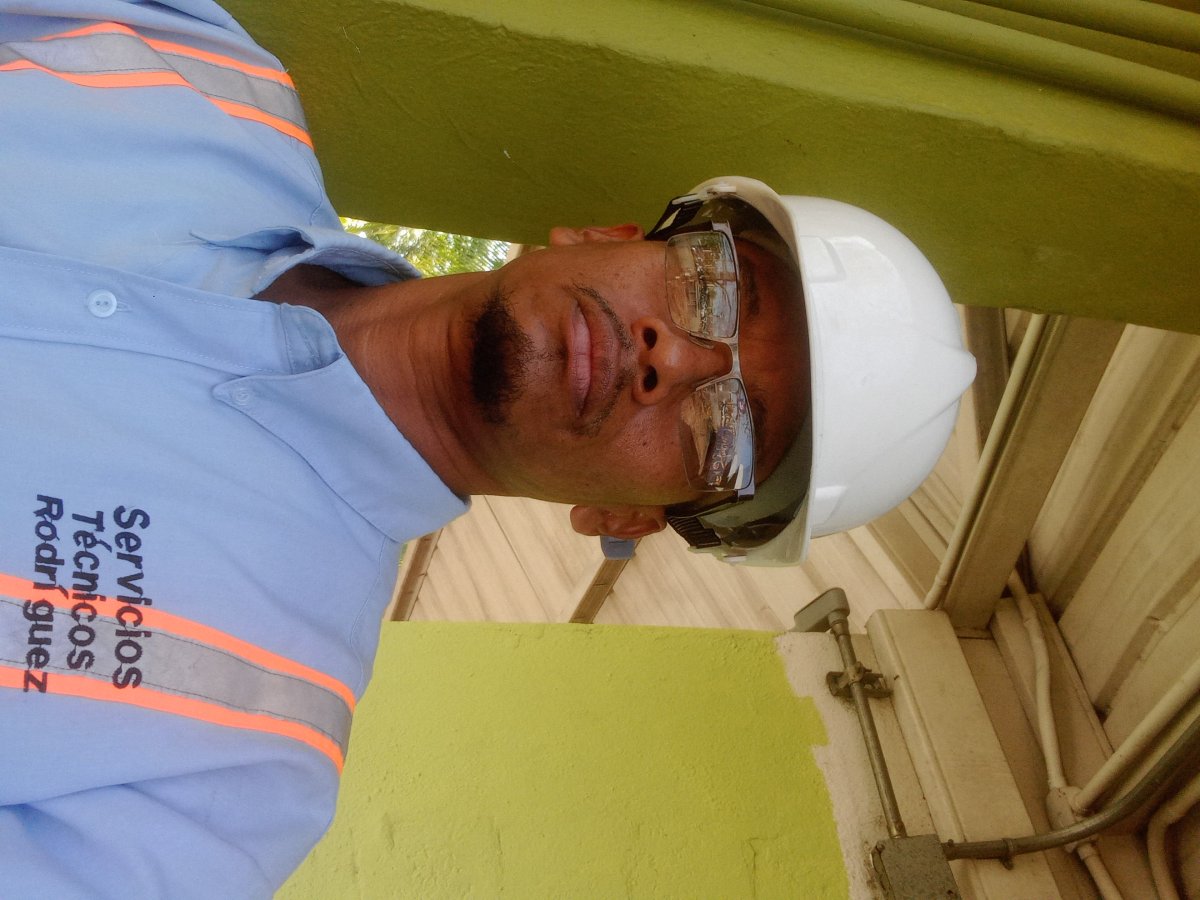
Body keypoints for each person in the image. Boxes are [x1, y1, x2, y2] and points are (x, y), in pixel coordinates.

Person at [0, 1, 974, 896]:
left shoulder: (231, 775)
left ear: (629, 517)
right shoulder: (203, 75)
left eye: (729, 431)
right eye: (712, 287)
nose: (673, 356)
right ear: (598, 235)